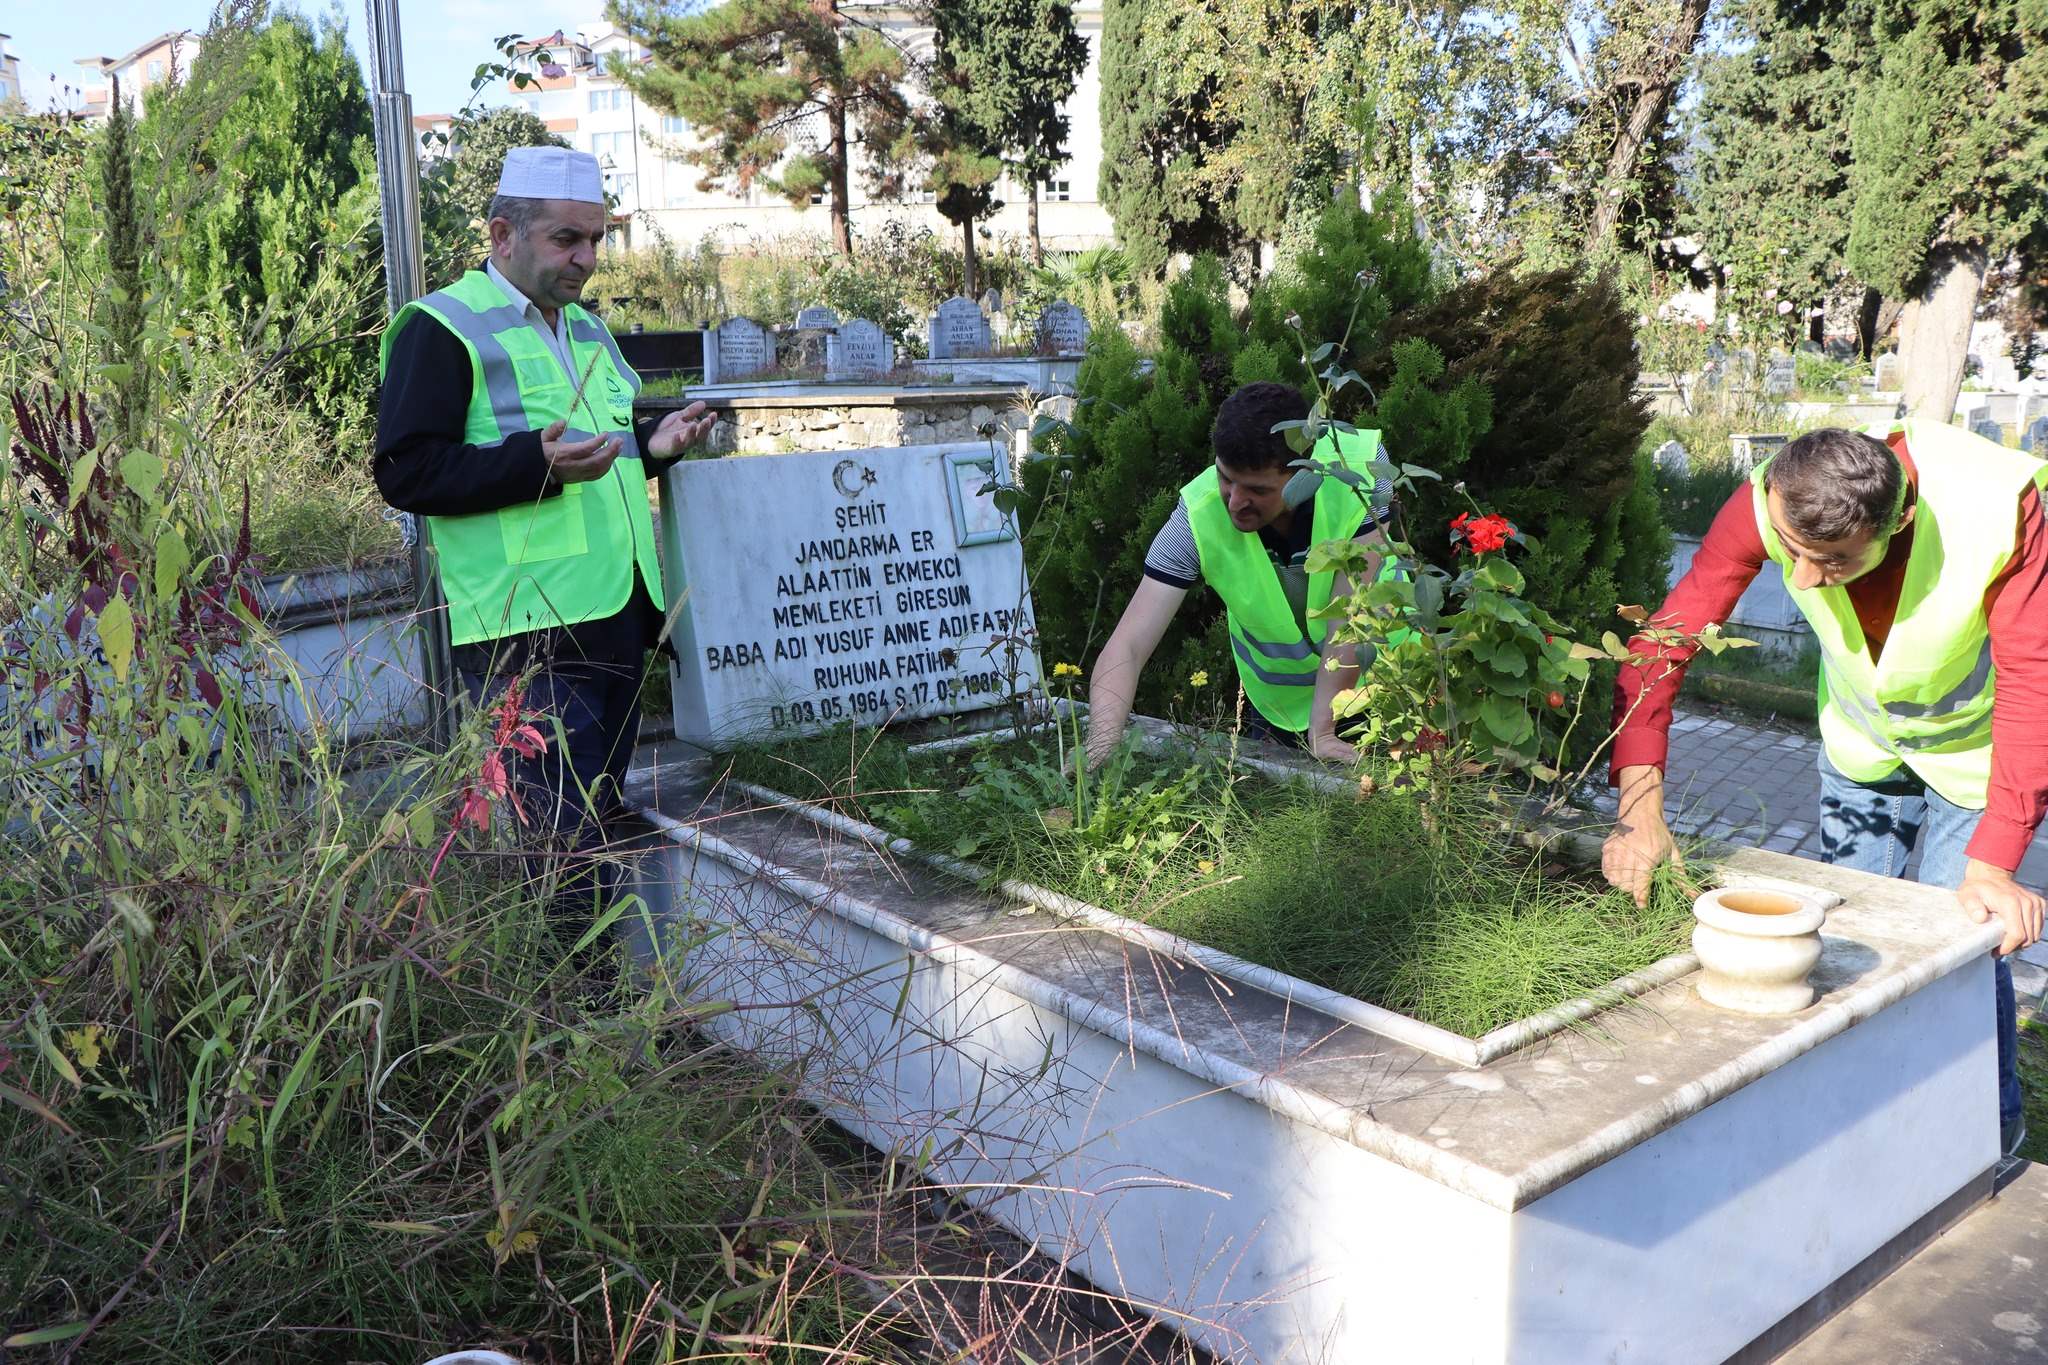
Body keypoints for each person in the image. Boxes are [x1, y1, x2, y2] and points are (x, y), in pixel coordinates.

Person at [1601, 421, 2048, 1157]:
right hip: (1861, 743)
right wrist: (1637, 815)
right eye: (1792, 552)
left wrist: (1996, 861)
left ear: (1898, 521)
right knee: (1837, 943)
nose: (1802, 579)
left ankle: (1984, 1136)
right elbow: (1661, 645)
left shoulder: (1998, 509)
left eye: (1832, 560)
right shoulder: (1768, 497)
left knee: (1960, 954)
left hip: (1977, 759)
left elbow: (2035, 680)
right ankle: (1847, 1120)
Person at [373, 146, 716, 957]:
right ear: (502, 234)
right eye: (568, 240)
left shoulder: (588, 328)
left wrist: (653, 441)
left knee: (595, 822)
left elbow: (599, 451)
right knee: (558, 852)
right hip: (523, 633)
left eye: (596, 239)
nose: (588, 260)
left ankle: (598, 1009)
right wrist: (533, 463)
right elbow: (404, 467)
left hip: (617, 616)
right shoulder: (442, 328)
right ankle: (571, 1024)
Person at [1083, 381, 1392, 766]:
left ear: (1300, 473)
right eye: (1225, 477)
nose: (1235, 501)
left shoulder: (1361, 471)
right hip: (1279, 708)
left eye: (1257, 490)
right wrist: (1098, 748)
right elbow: (1127, 645)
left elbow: (1350, 616)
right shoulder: (1196, 518)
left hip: (1388, 688)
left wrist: (1323, 731)